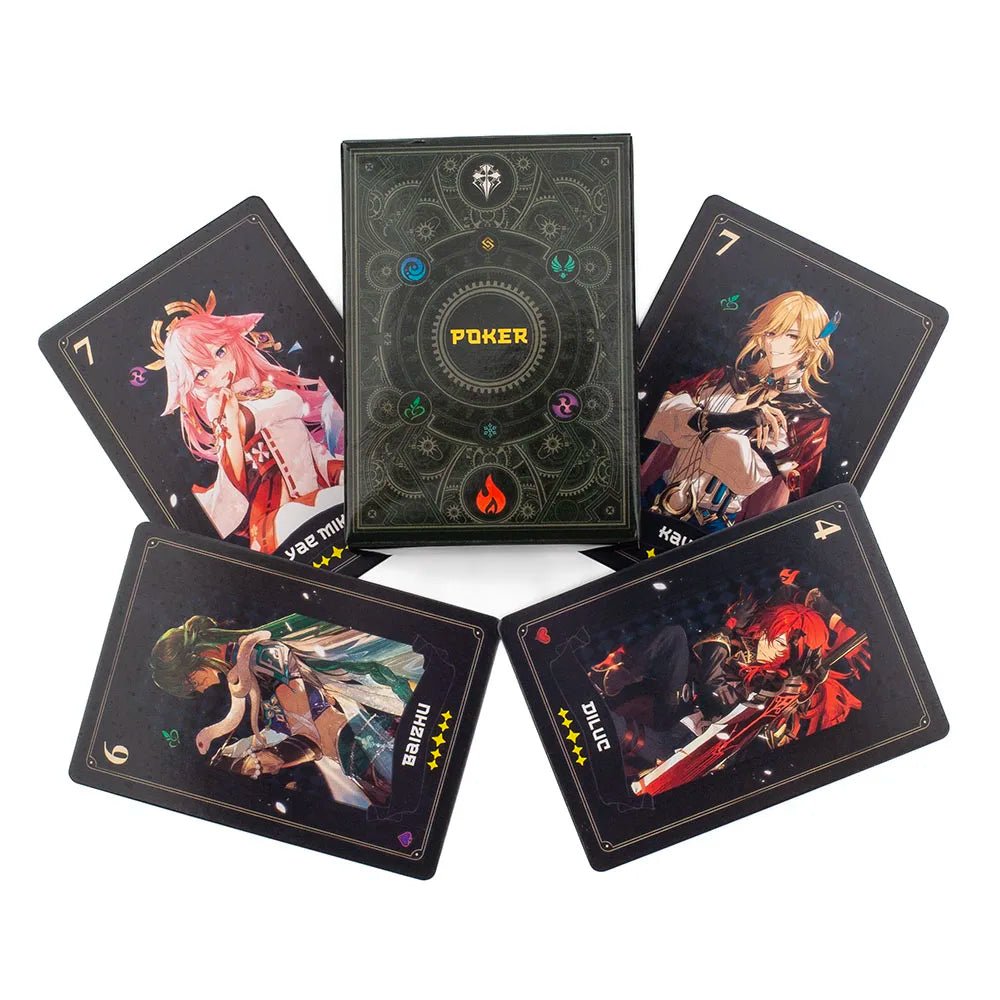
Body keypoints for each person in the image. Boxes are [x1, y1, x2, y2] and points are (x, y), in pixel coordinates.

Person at [149, 613, 424, 809]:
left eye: (191, 683)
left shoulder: (261, 656)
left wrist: (263, 760)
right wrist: (238, 758)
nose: (199, 690)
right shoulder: (248, 670)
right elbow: (285, 729)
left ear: (195, 659)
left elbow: (308, 734)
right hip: (358, 759)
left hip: (370, 747)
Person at [151, 292, 345, 553]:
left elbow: (314, 454)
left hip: (323, 504)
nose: (220, 371)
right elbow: (232, 481)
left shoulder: (270, 393)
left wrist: (341, 474)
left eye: (221, 351)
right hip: (275, 526)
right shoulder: (225, 415)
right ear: (191, 387)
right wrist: (230, 421)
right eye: (202, 374)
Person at [640, 291, 839, 530]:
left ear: (813, 345)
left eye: (792, 335)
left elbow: (745, 476)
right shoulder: (724, 379)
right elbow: (653, 418)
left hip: (710, 523)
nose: (776, 343)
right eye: (771, 332)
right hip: (656, 495)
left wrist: (701, 424)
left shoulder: (808, 418)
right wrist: (731, 420)